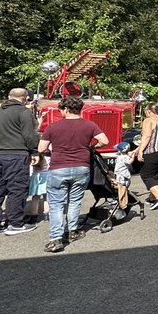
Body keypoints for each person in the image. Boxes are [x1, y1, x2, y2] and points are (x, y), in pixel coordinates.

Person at [38, 94, 108, 252]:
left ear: (66, 109)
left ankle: (56, 238)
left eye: (61, 109)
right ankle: (72, 231)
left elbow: (41, 149)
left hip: (58, 168)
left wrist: (51, 152)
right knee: (75, 201)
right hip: (81, 168)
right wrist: (91, 148)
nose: (60, 112)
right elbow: (104, 141)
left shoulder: (53, 127)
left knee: (56, 204)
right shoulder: (89, 125)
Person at [0, 88, 40, 237]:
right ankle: (15, 224)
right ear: (25, 98)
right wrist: (34, 151)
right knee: (17, 190)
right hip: (16, 154)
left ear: (8, 97)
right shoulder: (24, 112)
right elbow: (29, 135)